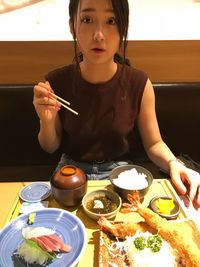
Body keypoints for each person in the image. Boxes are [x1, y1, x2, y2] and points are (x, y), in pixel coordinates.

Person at [33, 0, 200, 208]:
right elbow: (50, 146)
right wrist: (46, 121)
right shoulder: (56, 83)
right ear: (72, 26)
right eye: (87, 19)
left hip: (121, 176)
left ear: (123, 28)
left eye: (111, 21)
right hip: (70, 174)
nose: (99, 35)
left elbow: (154, 143)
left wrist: (174, 163)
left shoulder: (139, 84)